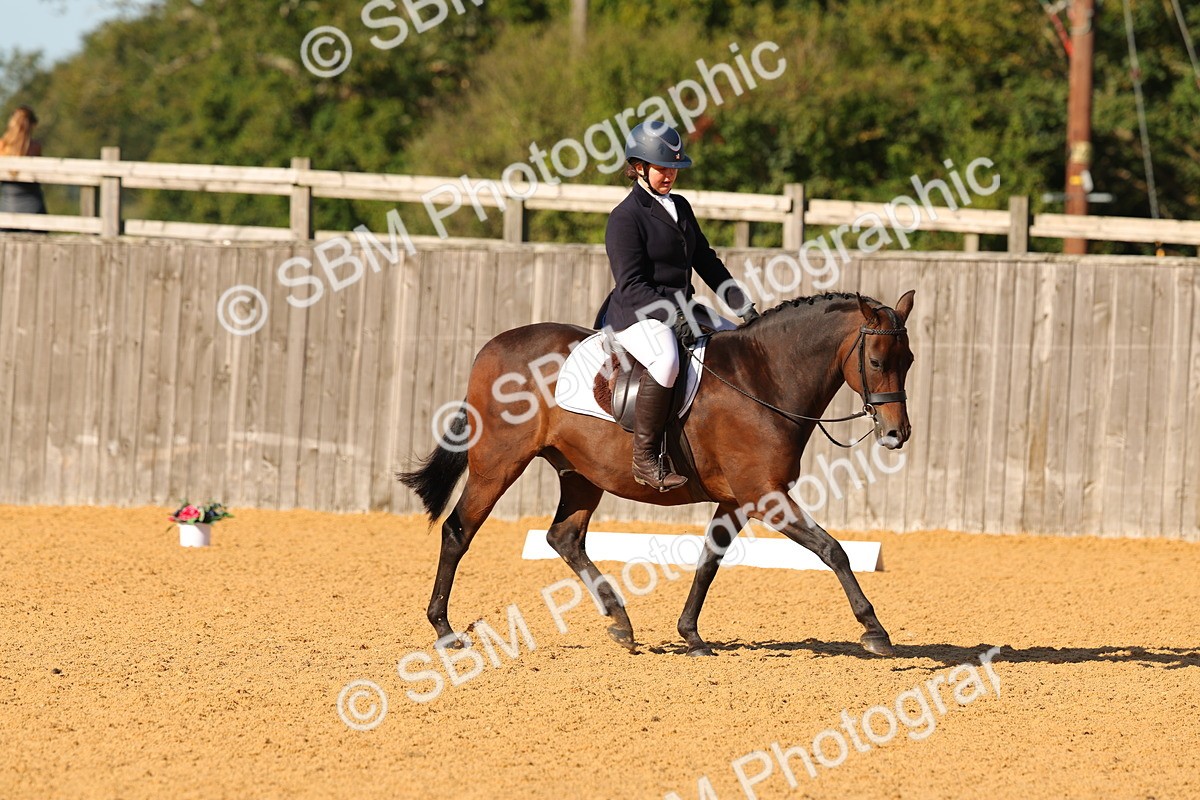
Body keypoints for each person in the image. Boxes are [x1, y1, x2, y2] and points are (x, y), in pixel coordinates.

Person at [595, 120, 760, 492]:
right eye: (662, 168)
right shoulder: (625, 217)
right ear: (639, 167)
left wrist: (743, 306)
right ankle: (646, 459)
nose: (670, 174)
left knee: (738, 343)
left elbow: (706, 261)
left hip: (683, 308)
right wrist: (675, 318)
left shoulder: (680, 207)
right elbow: (632, 284)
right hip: (637, 313)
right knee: (667, 359)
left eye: (674, 168)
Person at [0, 106, 48, 230]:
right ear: (31, 125)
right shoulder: (35, 147)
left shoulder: (2, 146)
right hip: (34, 208)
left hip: (7, 207)